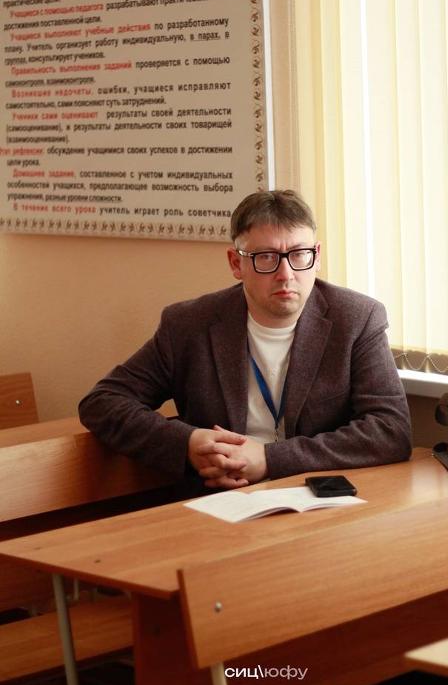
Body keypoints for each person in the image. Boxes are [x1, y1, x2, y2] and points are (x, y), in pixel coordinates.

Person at [79, 190, 411, 495]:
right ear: (236, 263)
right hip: (220, 500)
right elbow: (103, 402)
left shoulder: (356, 319)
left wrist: (271, 458)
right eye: (266, 257)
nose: (286, 274)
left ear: (317, 255)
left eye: (299, 254)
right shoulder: (189, 325)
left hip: (319, 498)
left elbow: (390, 429)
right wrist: (188, 443)